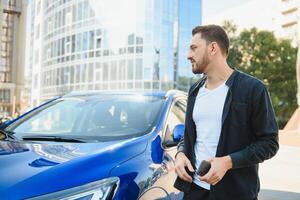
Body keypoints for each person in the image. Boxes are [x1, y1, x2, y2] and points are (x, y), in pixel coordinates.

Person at [174, 25, 279, 200]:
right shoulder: (194, 91)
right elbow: (189, 135)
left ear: (213, 48)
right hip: (194, 191)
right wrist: (181, 153)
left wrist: (228, 162)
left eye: (193, 48)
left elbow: (269, 143)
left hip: (235, 194)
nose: (188, 55)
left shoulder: (253, 89)